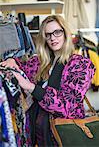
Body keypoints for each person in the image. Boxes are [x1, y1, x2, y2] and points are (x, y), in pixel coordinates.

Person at [0, 15, 95, 146]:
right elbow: (22, 67)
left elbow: (68, 105)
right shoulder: (39, 62)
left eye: (57, 32)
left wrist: (31, 87)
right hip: (37, 134)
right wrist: (13, 61)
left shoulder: (81, 64)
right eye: (48, 34)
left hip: (62, 135)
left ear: (65, 33)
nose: (52, 38)